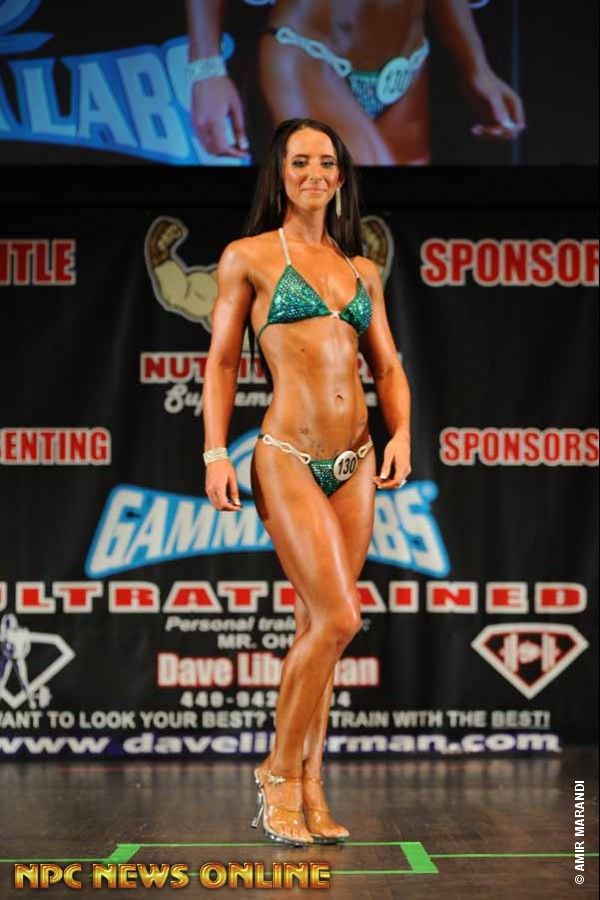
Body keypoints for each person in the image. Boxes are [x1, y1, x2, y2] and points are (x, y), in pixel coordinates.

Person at [202, 117, 411, 846]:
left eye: (326, 162)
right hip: (287, 453)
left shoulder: (362, 270)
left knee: (319, 630)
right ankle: (276, 774)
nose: (314, 173)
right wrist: (214, 452)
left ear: (341, 176)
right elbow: (222, 362)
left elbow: (387, 365)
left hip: (356, 460)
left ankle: (313, 787)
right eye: (300, 162)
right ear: (280, 173)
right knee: (340, 618)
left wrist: (401, 434)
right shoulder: (250, 256)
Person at [186, 0, 525, 164]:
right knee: (353, 225)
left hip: (407, 67)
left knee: (397, 242)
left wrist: (477, 66)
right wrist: (206, 68)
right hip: (309, 51)